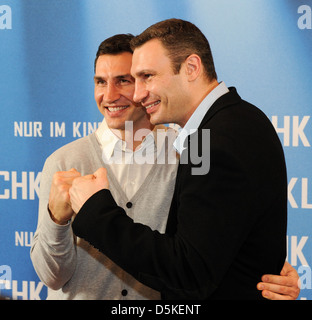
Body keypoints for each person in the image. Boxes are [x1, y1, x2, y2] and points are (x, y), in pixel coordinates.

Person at [69, 19, 297, 299]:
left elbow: (188, 270)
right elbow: (212, 240)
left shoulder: (218, 140)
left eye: (147, 76)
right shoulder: (220, 126)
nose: (138, 94)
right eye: (136, 79)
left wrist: (95, 210)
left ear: (191, 68)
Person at [30, 34, 179, 299]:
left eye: (123, 81)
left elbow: (200, 255)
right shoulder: (64, 162)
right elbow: (52, 277)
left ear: (147, 84)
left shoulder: (182, 155)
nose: (109, 96)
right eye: (101, 82)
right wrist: (56, 220)